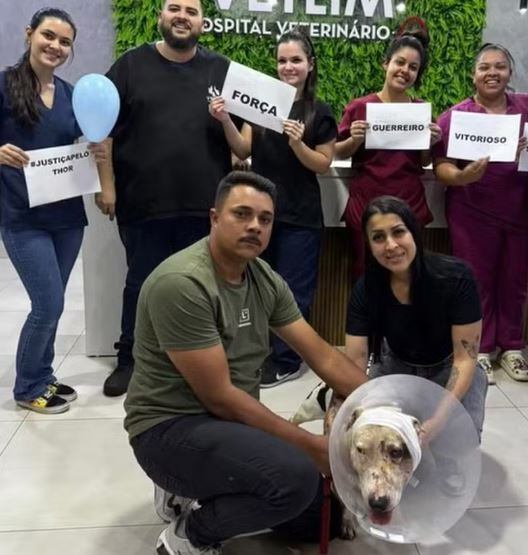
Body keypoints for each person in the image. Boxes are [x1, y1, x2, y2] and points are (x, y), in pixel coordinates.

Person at [123, 171, 367, 554]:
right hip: (170, 428)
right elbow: (220, 397)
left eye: (265, 219)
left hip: (228, 425)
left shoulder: (263, 278)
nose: (255, 226)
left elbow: (320, 354)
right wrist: (313, 447)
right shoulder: (183, 283)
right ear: (214, 218)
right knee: (296, 480)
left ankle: (212, 487)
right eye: (242, 214)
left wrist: (386, 405)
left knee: (324, 519)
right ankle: (190, 534)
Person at [98, 0, 236, 397]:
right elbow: (101, 131)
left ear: (202, 22)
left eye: (191, 11)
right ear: (160, 16)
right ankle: (130, 359)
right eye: (174, 8)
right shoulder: (129, 66)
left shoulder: (221, 70)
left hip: (205, 206)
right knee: (141, 285)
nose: (182, 16)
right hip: (143, 202)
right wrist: (106, 186)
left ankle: (200, 364)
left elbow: (240, 137)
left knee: (201, 289)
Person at [209, 28, 337, 388]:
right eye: (282, 60)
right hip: (261, 217)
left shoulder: (320, 112)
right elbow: (243, 148)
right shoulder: (263, 104)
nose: (288, 67)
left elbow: (323, 163)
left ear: (310, 65)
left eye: (296, 60)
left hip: (300, 216)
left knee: (293, 291)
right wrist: (225, 119)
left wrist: (297, 144)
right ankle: (258, 353)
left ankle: (287, 359)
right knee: (255, 287)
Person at [0, 8, 107, 414]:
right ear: (29, 34)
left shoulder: (71, 94)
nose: (56, 46)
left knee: (55, 301)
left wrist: (96, 151)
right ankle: (28, 387)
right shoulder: (4, 86)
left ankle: (42, 375)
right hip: (22, 217)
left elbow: (86, 141)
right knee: (47, 304)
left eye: (65, 42)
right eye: (48, 35)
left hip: (66, 218)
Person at [344, 196, 487, 442]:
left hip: (449, 366)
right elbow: (356, 361)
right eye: (378, 237)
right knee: (376, 438)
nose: (391, 245)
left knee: (461, 441)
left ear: (414, 232)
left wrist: (438, 422)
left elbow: (465, 359)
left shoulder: (456, 278)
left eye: (398, 232)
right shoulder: (365, 289)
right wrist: (354, 409)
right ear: (368, 244)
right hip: (394, 366)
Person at [433, 43, 528, 385]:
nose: (492, 73)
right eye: (484, 67)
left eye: (500, 66)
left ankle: (512, 346)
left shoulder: (527, 108)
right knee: (476, 282)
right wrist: (462, 176)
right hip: (471, 211)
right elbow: (441, 166)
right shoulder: (455, 117)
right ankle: (480, 350)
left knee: (515, 280)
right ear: (473, 75)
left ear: (510, 72)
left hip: (519, 210)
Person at [335, 30, 442, 277]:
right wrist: (354, 139)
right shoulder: (359, 107)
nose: (405, 70)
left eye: (413, 67)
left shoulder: (421, 112)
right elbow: (337, 152)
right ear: (386, 63)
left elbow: (424, 161)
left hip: (409, 202)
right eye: (400, 62)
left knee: (407, 276)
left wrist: (429, 142)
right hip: (367, 202)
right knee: (365, 274)